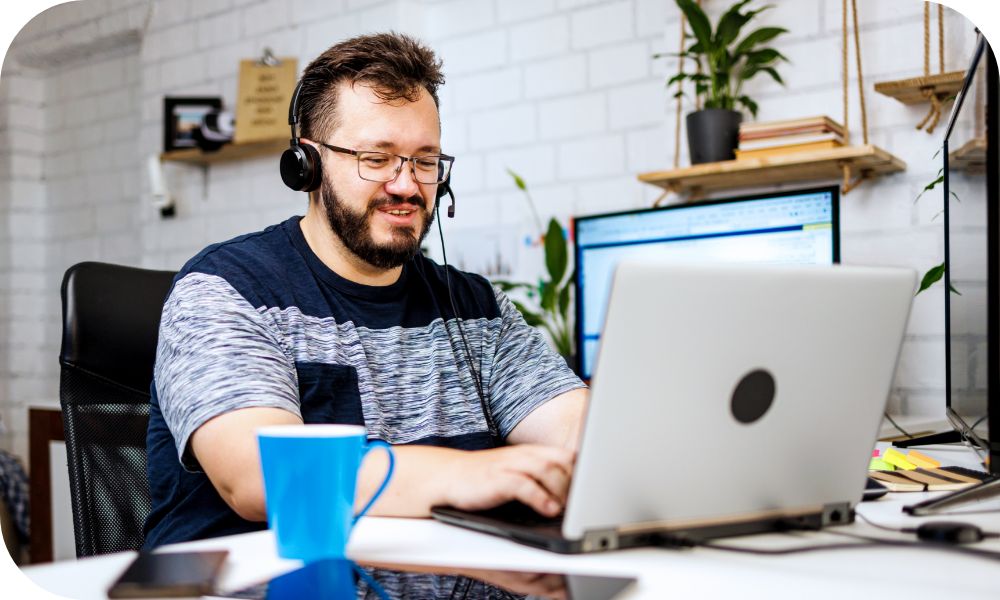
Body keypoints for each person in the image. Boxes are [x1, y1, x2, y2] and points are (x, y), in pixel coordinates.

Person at [142, 32, 587, 548]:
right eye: (377, 158)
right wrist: (469, 474)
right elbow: (258, 475)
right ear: (306, 164)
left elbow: (581, 435)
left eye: (424, 160)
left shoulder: (477, 310)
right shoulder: (228, 290)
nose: (407, 185)